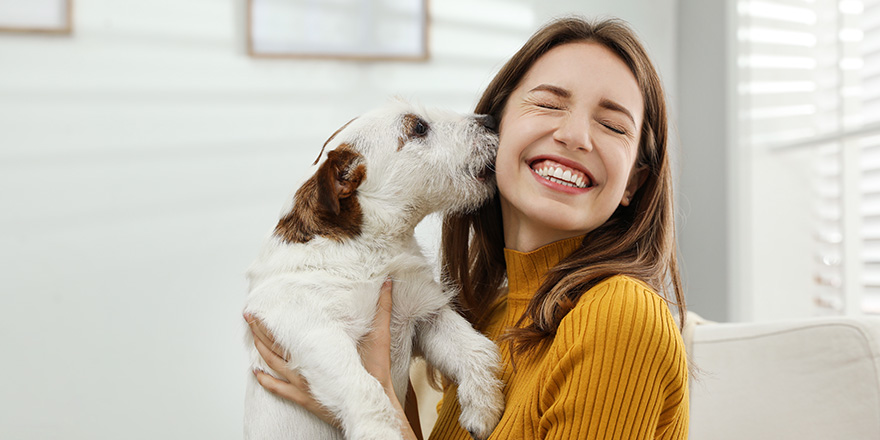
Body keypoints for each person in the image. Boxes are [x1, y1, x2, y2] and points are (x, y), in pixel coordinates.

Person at [246, 15, 689, 440]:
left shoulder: (621, 317)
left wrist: (374, 402)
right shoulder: (492, 315)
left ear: (633, 181)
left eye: (613, 125)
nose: (576, 136)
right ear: (499, 126)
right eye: (549, 103)